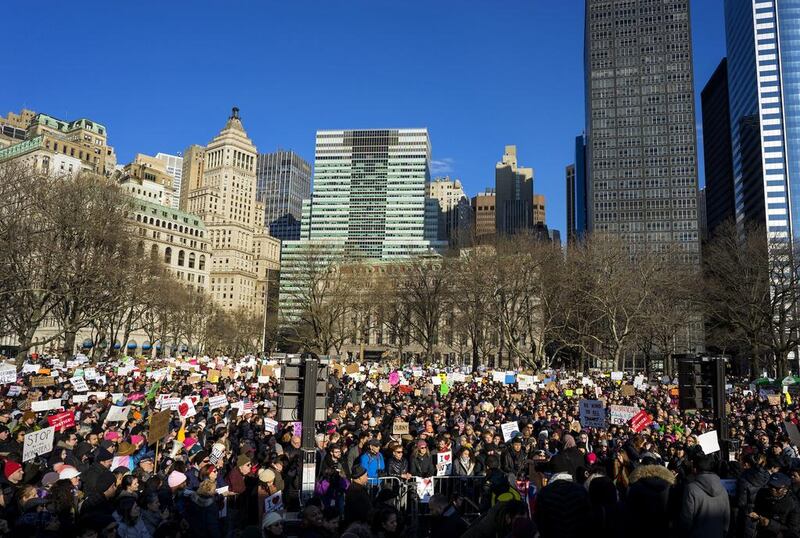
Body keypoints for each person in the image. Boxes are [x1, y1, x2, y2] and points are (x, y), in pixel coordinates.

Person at [677, 454, 731, 538]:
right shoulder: (723, 489)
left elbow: (686, 519)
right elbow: (726, 517)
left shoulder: (691, 489)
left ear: (695, 469)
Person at [751, 473, 800, 538]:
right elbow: (757, 509)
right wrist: (756, 516)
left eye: (777, 488)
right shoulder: (762, 493)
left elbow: (793, 531)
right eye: (770, 486)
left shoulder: (793, 504)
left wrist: (770, 524)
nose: (773, 489)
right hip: (761, 533)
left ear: (786, 488)